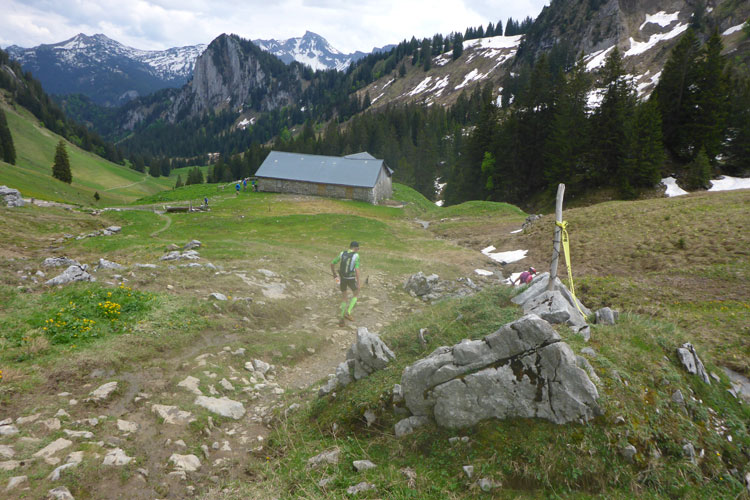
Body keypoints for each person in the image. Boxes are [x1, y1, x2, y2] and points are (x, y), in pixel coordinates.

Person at [331, 241, 361, 327]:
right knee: (356, 293)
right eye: (358, 248)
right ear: (355, 248)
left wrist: (334, 274)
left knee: (344, 297)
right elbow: (357, 270)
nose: (358, 250)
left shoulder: (342, 253)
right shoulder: (356, 255)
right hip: (351, 278)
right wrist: (358, 283)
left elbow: (332, 263)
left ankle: (341, 318)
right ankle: (348, 312)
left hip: (343, 278)